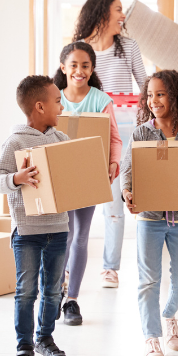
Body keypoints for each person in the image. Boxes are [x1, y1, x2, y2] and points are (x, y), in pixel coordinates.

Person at [120, 70, 178, 356]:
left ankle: (169, 315)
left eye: (160, 94)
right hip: (149, 217)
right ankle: (151, 338)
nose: (153, 101)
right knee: (148, 280)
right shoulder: (141, 133)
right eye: (149, 95)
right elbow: (128, 170)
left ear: (176, 97)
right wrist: (127, 192)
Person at [0, 75, 70, 356]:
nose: (61, 105)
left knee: (53, 291)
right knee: (27, 290)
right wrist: (18, 178)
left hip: (59, 227)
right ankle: (24, 347)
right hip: (27, 232)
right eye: (56, 101)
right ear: (40, 106)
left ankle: (45, 339)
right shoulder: (15, 141)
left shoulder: (61, 140)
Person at [74, 0, 148, 289]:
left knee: (114, 201)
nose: (123, 15)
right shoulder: (80, 52)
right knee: (76, 200)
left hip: (124, 131)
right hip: (89, 130)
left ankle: (110, 268)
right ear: (102, 13)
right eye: (118, 10)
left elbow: (145, 87)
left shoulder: (128, 47)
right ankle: (69, 267)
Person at [52, 41, 122, 326]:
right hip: (59, 175)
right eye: (74, 65)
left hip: (89, 175)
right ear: (63, 67)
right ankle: (55, 292)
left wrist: (113, 164)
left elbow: (114, 138)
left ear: (92, 69)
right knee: (62, 237)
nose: (79, 71)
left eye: (85, 66)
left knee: (80, 235)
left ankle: (73, 300)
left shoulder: (101, 100)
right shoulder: (53, 97)